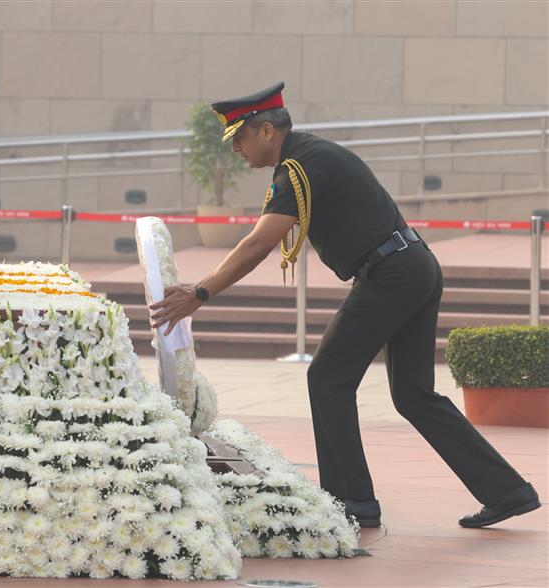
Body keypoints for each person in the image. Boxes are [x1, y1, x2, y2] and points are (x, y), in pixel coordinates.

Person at [149, 82, 541, 529]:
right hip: (412, 265)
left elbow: (260, 241)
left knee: (328, 377)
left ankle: (352, 501)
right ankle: (507, 491)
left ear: (265, 131)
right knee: (413, 394)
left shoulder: (298, 167)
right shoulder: (309, 157)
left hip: (391, 274)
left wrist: (200, 293)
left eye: (239, 138)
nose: (236, 149)